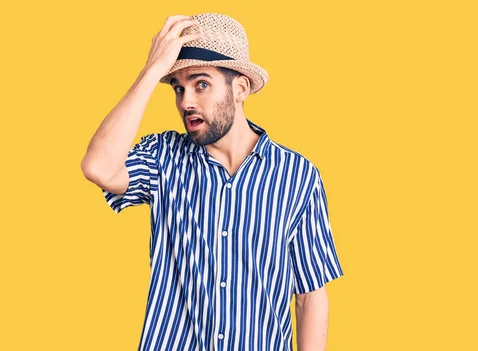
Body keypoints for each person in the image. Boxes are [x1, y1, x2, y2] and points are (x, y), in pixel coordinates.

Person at [81, 13, 344, 351]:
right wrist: (152, 70)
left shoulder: (297, 176)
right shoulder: (164, 157)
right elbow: (98, 166)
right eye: (178, 87)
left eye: (200, 84)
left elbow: (310, 295)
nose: (185, 101)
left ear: (240, 88)